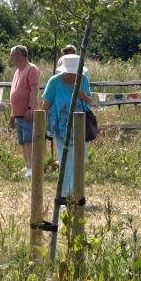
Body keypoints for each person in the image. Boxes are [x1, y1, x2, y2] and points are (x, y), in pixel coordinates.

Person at [42, 54, 93, 198]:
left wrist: (83, 96)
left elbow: (90, 102)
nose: (71, 76)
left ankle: (77, 192)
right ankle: (65, 195)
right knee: (65, 160)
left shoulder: (83, 80)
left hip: (81, 127)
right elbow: (45, 105)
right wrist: (43, 126)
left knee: (79, 159)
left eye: (74, 73)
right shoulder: (54, 82)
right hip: (61, 128)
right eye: (69, 73)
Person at [9, 45, 40, 178]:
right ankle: (27, 165)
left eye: (13, 55)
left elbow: (34, 90)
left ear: (20, 55)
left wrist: (30, 108)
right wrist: (12, 113)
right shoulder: (17, 71)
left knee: (29, 141)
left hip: (27, 112)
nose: (11, 58)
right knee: (22, 141)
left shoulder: (31, 69)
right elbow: (14, 93)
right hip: (17, 113)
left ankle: (31, 169)